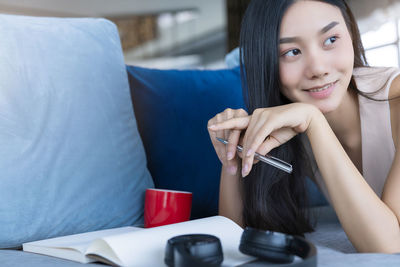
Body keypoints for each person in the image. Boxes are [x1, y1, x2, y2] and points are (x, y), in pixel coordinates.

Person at [207, 0, 400, 253]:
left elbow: (389, 248)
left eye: (331, 40)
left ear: (351, 34)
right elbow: (234, 237)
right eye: (292, 52)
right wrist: (231, 149)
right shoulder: (289, 121)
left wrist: (314, 122)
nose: (318, 69)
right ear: (266, 63)